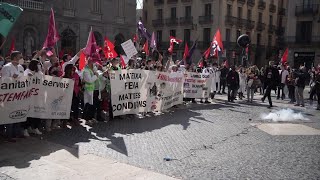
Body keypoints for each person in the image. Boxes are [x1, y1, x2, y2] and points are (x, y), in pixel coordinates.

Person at [1, 51, 25, 142]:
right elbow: (3, 81)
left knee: (18, 114)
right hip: (10, 96)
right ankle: (9, 135)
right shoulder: (6, 67)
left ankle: (17, 133)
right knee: (10, 115)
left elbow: (23, 78)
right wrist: (12, 78)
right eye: (20, 57)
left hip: (19, 95)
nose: (21, 58)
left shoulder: (20, 67)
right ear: (15, 58)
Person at [22, 60, 43, 136]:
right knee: (28, 114)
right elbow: (24, 79)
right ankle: (25, 129)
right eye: (38, 64)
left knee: (37, 113)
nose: (39, 66)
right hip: (29, 96)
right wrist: (29, 76)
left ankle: (35, 128)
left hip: (37, 96)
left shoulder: (39, 72)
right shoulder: (27, 71)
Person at [82, 56, 99, 122]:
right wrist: (96, 76)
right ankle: (87, 119)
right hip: (88, 89)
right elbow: (89, 80)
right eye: (94, 63)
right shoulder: (86, 71)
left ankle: (90, 117)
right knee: (88, 104)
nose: (95, 65)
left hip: (92, 89)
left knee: (91, 104)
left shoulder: (91, 70)